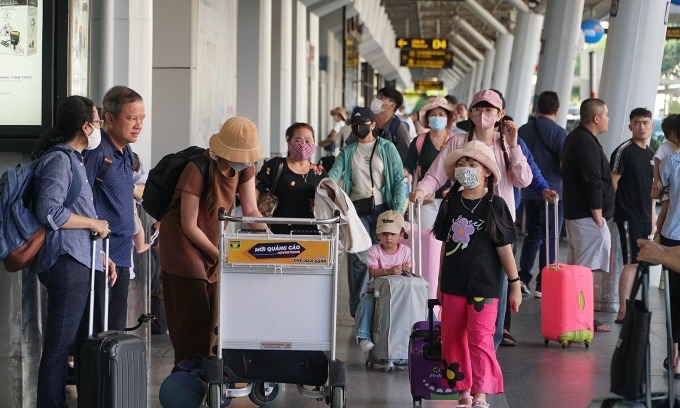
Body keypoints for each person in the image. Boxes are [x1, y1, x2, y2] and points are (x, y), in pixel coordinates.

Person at [410, 89, 533, 350]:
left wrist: (514, 146)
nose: (482, 115)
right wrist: (421, 190)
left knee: (495, 291)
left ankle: (488, 348)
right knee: (460, 286)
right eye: (478, 109)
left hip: (498, 227)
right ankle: (463, 350)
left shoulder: (507, 144)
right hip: (464, 222)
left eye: (489, 110)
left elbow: (524, 180)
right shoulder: (458, 142)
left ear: (500, 114)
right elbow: (435, 174)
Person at [159, 116, 267, 367]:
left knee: (214, 316)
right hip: (182, 243)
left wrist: (270, 240)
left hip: (212, 241)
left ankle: (208, 373)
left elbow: (251, 210)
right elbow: (188, 225)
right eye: (241, 155)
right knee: (192, 312)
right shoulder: (197, 168)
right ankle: (187, 373)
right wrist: (220, 255)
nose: (246, 161)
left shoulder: (245, 167)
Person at [32, 96, 114, 408]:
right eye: (98, 121)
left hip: (81, 257)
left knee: (77, 343)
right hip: (66, 261)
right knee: (59, 345)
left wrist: (99, 254)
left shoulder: (75, 159)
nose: (100, 128)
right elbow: (49, 211)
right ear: (85, 126)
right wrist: (94, 223)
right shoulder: (59, 160)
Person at [432, 141, 522, 408]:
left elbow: (504, 248)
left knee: (481, 338)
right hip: (453, 284)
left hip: (485, 286)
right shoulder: (450, 202)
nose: (465, 169)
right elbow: (445, 246)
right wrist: (439, 282)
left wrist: (515, 283)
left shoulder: (496, 205)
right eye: (461, 164)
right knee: (452, 338)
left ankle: (480, 394)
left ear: (487, 172)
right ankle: (463, 392)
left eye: (472, 164)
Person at [327, 107, 406, 318]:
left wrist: (398, 213)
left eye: (362, 124)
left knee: (382, 256)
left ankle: (382, 306)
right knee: (358, 259)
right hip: (356, 210)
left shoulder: (386, 148)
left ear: (372, 124)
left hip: (383, 210)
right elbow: (334, 174)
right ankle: (359, 310)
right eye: (354, 124)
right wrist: (324, 185)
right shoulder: (348, 151)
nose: (358, 128)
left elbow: (399, 180)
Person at [83, 85, 143, 331]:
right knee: (96, 331)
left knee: (115, 331)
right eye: (132, 118)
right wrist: (98, 251)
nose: (138, 125)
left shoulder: (126, 151)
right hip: (100, 255)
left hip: (122, 254)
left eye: (142, 119)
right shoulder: (97, 153)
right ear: (109, 117)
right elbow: (81, 200)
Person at [562, 98, 614, 333]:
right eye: (606, 115)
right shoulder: (586, 144)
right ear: (596, 118)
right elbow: (592, 182)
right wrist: (598, 216)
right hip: (587, 217)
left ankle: (579, 317)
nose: (608, 120)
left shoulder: (576, 138)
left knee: (579, 270)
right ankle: (582, 319)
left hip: (577, 215)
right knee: (583, 273)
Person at [517, 91, 568, 298]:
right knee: (550, 237)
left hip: (529, 192)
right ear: (557, 110)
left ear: (537, 108)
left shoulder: (523, 130)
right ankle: (543, 284)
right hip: (553, 194)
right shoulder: (560, 133)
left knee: (532, 235)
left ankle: (523, 278)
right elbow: (565, 164)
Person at [611, 108, 655, 324]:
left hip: (645, 216)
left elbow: (653, 190)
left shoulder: (651, 154)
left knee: (639, 263)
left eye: (645, 122)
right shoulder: (624, 151)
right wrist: (617, 209)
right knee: (630, 261)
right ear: (630, 127)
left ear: (651, 126)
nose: (641, 127)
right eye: (637, 123)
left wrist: (654, 220)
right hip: (628, 216)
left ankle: (630, 306)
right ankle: (623, 309)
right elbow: (612, 183)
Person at [354, 210, 411, 354]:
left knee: (420, 299)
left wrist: (407, 270)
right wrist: (390, 271)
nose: (388, 238)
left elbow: (410, 274)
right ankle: (363, 336)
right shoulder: (374, 251)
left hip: (400, 293)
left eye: (392, 234)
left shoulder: (406, 251)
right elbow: (374, 272)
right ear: (378, 234)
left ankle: (430, 330)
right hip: (377, 292)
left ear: (401, 234)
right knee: (366, 301)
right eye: (384, 233)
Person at [256, 122, 327, 234]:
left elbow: (328, 200)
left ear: (314, 143)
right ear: (289, 143)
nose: (303, 145)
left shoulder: (319, 172)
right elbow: (255, 192)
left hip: (311, 234)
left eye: (308, 141)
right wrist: (259, 226)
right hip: (276, 233)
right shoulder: (276, 166)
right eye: (298, 140)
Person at [403, 96, 457, 229]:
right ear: (427, 118)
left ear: (448, 118)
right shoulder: (419, 141)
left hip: (452, 199)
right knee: (428, 236)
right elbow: (407, 169)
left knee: (450, 236)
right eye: (433, 114)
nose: (437, 117)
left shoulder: (456, 141)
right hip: (426, 200)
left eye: (441, 114)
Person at [368, 86, 410, 161]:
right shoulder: (366, 123)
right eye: (377, 96)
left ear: (392, 105)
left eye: (381, 97)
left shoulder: (398, 128)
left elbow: (405, 159)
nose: (376, 100)